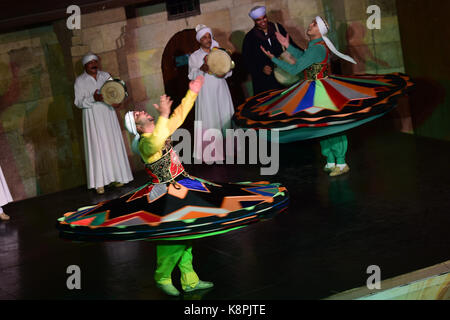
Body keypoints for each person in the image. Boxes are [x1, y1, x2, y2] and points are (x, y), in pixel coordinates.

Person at [233, 16, 413, 176]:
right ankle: (331, 160)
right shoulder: (315, 46)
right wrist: (288, 46)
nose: (310, 25)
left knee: (332, 123)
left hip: (320, 87)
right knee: (322, 122)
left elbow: (296, 68)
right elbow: (304, 56)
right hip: (313, 86)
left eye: (314, 24)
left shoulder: (317, 48)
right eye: (312, 23)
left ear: (319, 31)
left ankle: (341, 162)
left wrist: (273, 58)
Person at [74, 53, 133, 194]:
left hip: (108, 115)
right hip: (92, 117)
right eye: (90, 63)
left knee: (112, 144)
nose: (94, 64)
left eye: (95, 61)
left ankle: (118, 177)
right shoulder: (80, 81)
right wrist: (93, 98)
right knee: (97, 146)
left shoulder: (105, 75)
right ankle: (99, 183)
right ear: (85, 66)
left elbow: (116, 91)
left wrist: (117, 102)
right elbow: (78, 102)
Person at [188, 24, 235, 163]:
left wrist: (224, 73)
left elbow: (229, 70)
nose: (207, 39)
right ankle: (213, 154)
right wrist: (201, 68)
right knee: (211, 119)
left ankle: (230, 152)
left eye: (209, 36)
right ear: (199, 40)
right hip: (206, 92)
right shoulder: (195, 57)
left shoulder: (219, 51)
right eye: (204, 37)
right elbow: (191, 76)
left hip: (221, 89)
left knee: (225, 117)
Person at [242, 6, 296, 95]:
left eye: (264, 18)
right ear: (254, 21)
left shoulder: (277, 28)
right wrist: (260, 69)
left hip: (285, 76)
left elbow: (291, 45)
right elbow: (247, 61)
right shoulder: (249, 38)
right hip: (266, 82)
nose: (263, 22)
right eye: (258, 20)